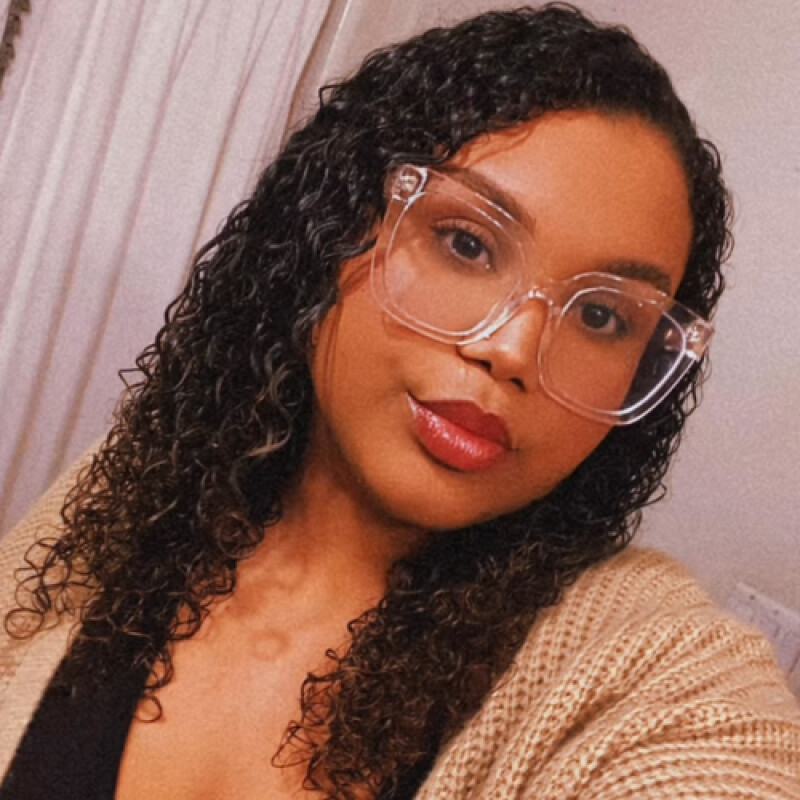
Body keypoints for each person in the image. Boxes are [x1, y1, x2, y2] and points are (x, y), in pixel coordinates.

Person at [0, 4, 798, 799]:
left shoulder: (646, 671)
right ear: (330, 226)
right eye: (467, 243)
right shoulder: (140, 489)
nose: (513, 350)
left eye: (601, 317)